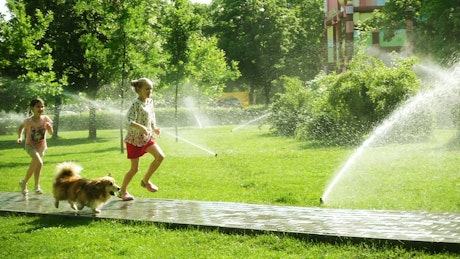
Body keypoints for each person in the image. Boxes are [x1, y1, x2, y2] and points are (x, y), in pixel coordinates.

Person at [119, 78, 165, 201]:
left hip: (146, 138)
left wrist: (154, 127)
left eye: (151, 89)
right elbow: (127, 121)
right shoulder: (135, 104)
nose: (150, 91)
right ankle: (122, 191)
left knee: (160, 157)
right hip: (134, 139)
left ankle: (145, 181)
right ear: (139, 90)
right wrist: (140, 127)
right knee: (134, 169)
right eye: (147, 89)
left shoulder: (150, 102)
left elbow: (152, 115)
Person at [17, 97, 53, 195]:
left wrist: (49, 128)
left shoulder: (46, 119)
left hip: (41, 146)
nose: (41, 109)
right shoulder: (28, 121)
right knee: (39, 163)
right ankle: (30, 184)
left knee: (35, 166)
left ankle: (28, 184)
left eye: (42, 107)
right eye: (38, 107)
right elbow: (21, 128)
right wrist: (20, 137)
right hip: (30, 146)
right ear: (32, 108)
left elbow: (50, 133)